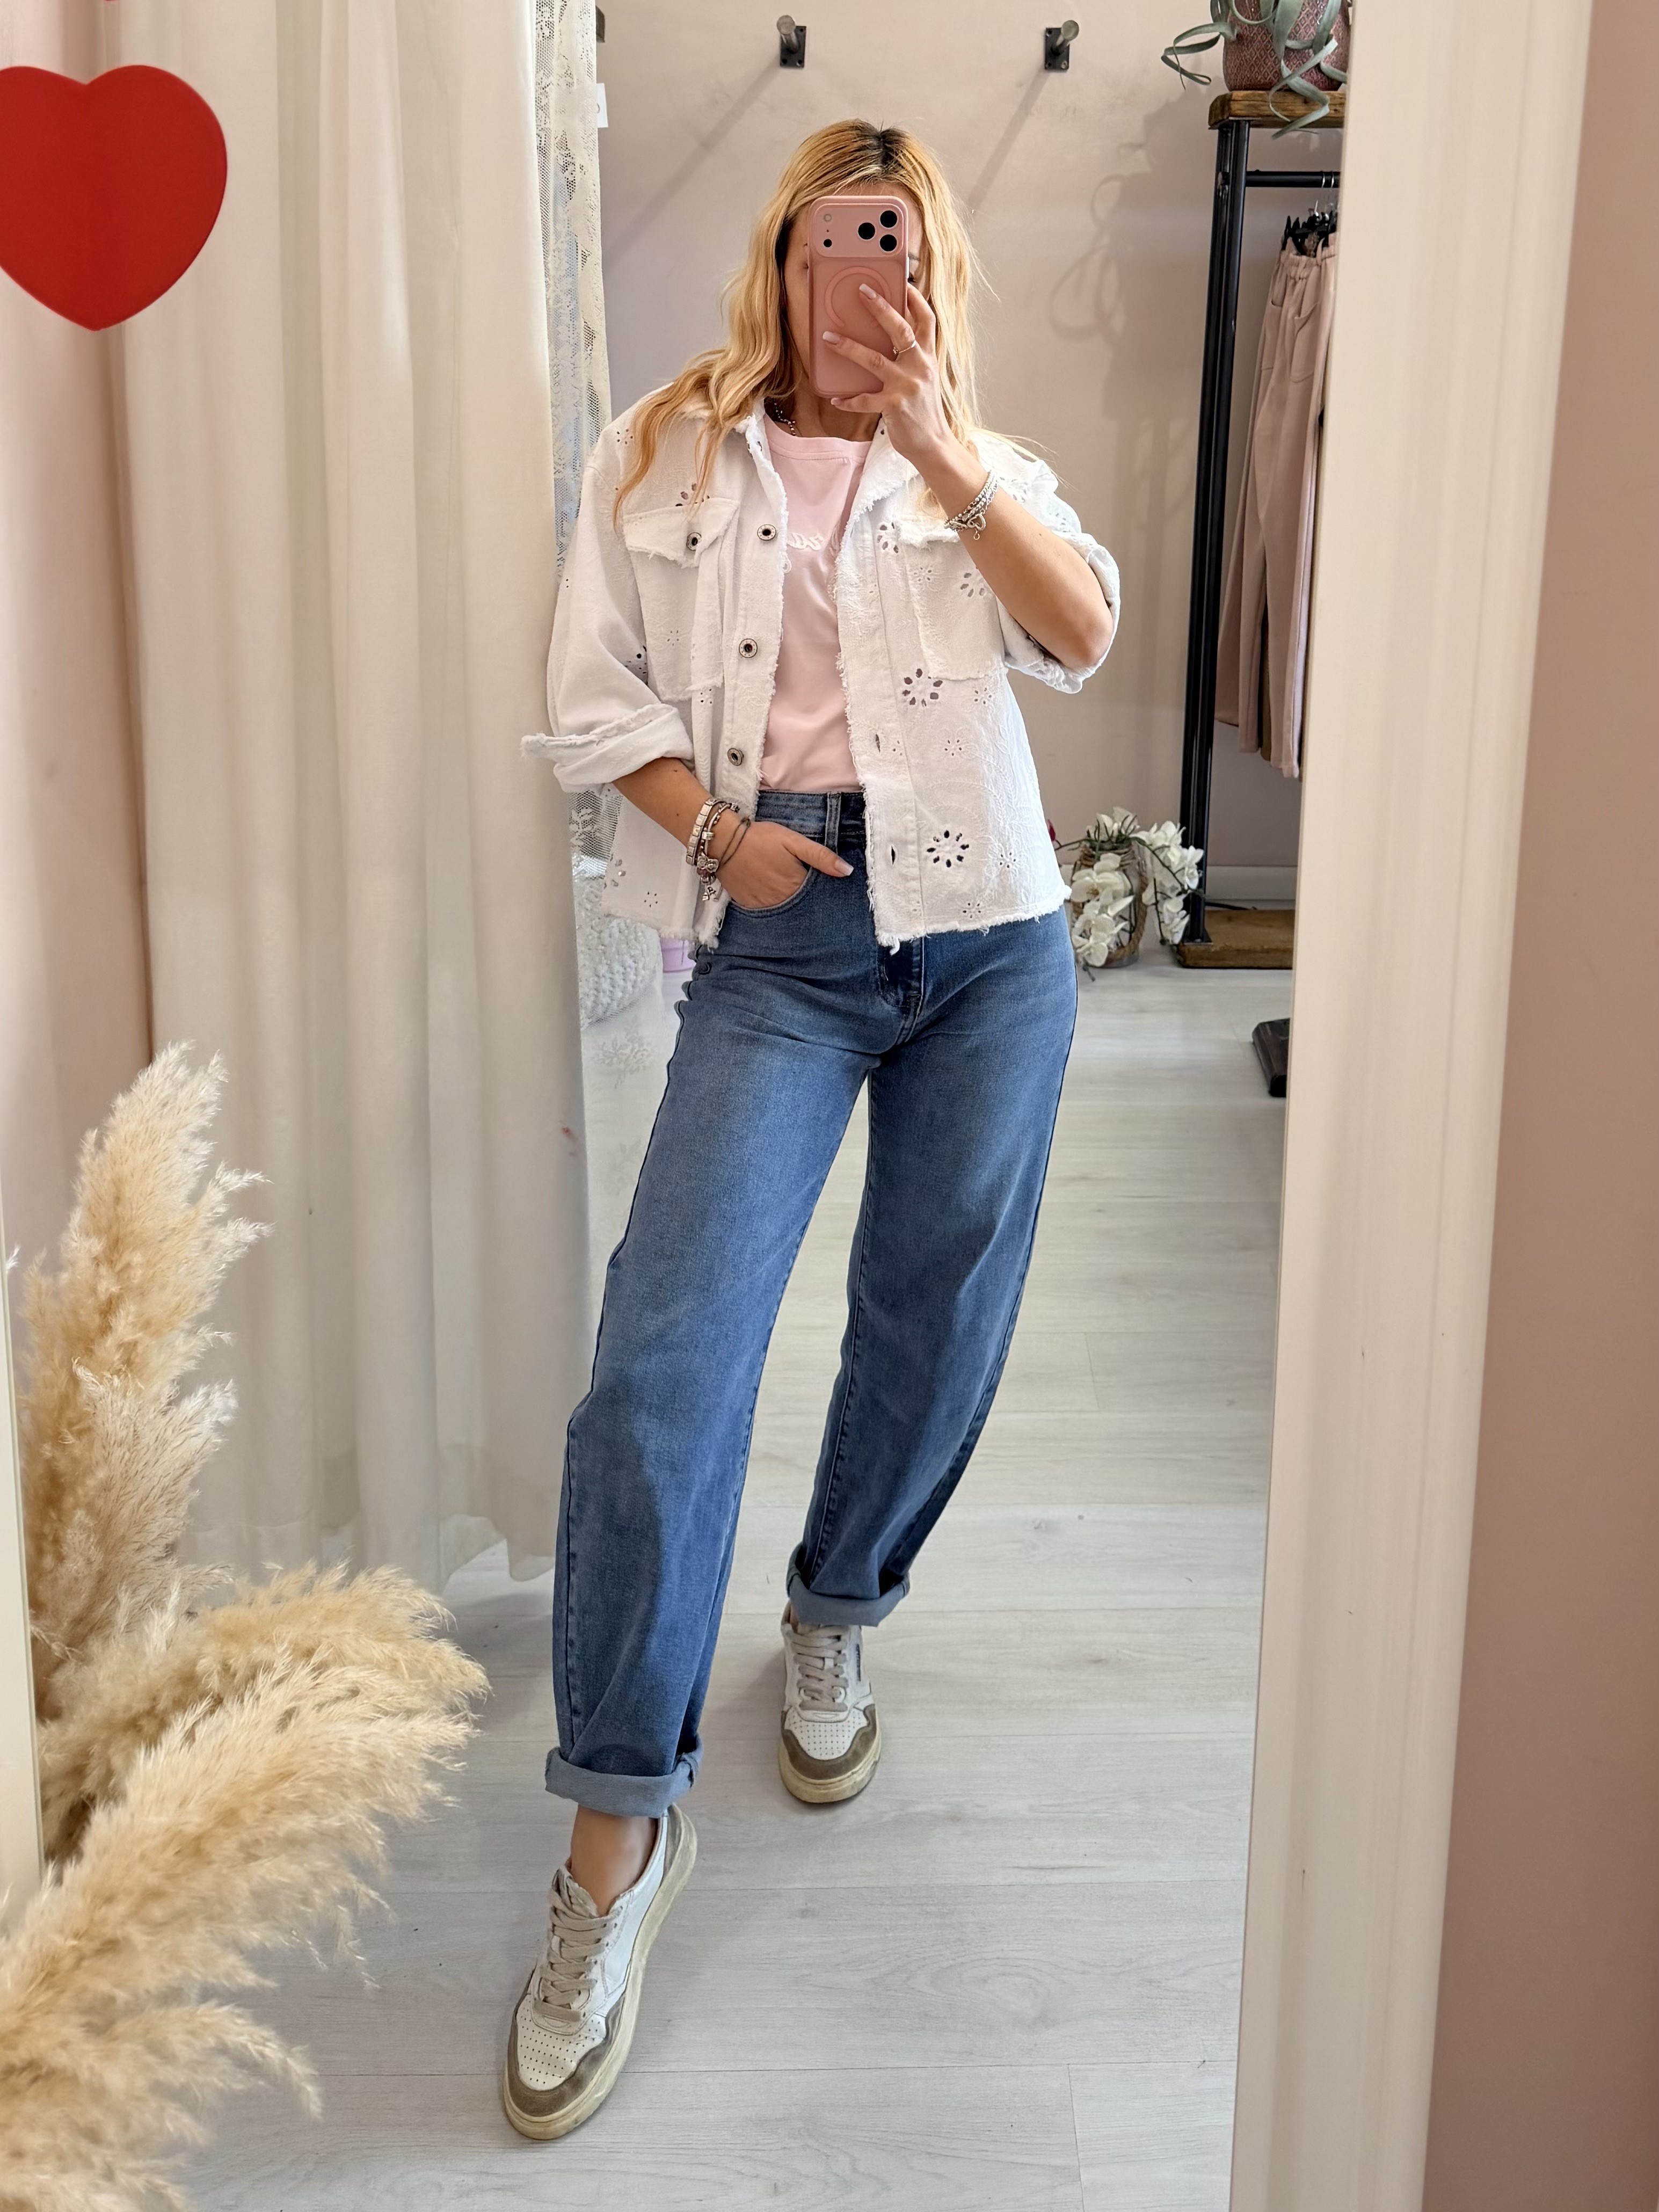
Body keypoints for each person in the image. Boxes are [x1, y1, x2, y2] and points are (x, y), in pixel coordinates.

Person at [510, 118, 1119, 2141]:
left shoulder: (975, 459)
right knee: (662, 1362)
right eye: (830, 243)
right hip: (779, 933)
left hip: (990, 939)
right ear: (778, 259)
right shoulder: (661, 457)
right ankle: (617, 1827)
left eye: (898, 248)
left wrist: (939, 444)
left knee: (934, 1313)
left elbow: (1081, 632)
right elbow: (588, 697)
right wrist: (714, 833)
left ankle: (838, 1611)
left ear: (931, 275)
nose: (861, 279)